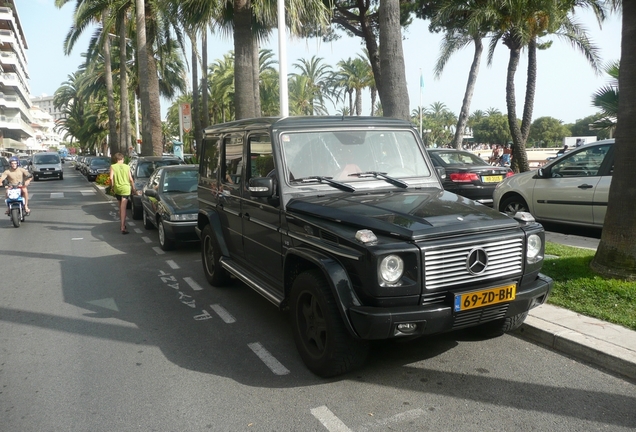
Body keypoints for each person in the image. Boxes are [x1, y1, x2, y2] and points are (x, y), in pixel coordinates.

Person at [109, 152, 135, 234]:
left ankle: (122, 222)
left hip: (117, 189)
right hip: (126, 189)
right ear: (122, 159)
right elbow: (131, 179)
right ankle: (123, 226)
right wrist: (134, 189)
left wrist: (112, 187)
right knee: (123, 208)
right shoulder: (127, 167)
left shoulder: (113, 166)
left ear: (116, 159)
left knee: (120, 206)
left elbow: (110, 178)